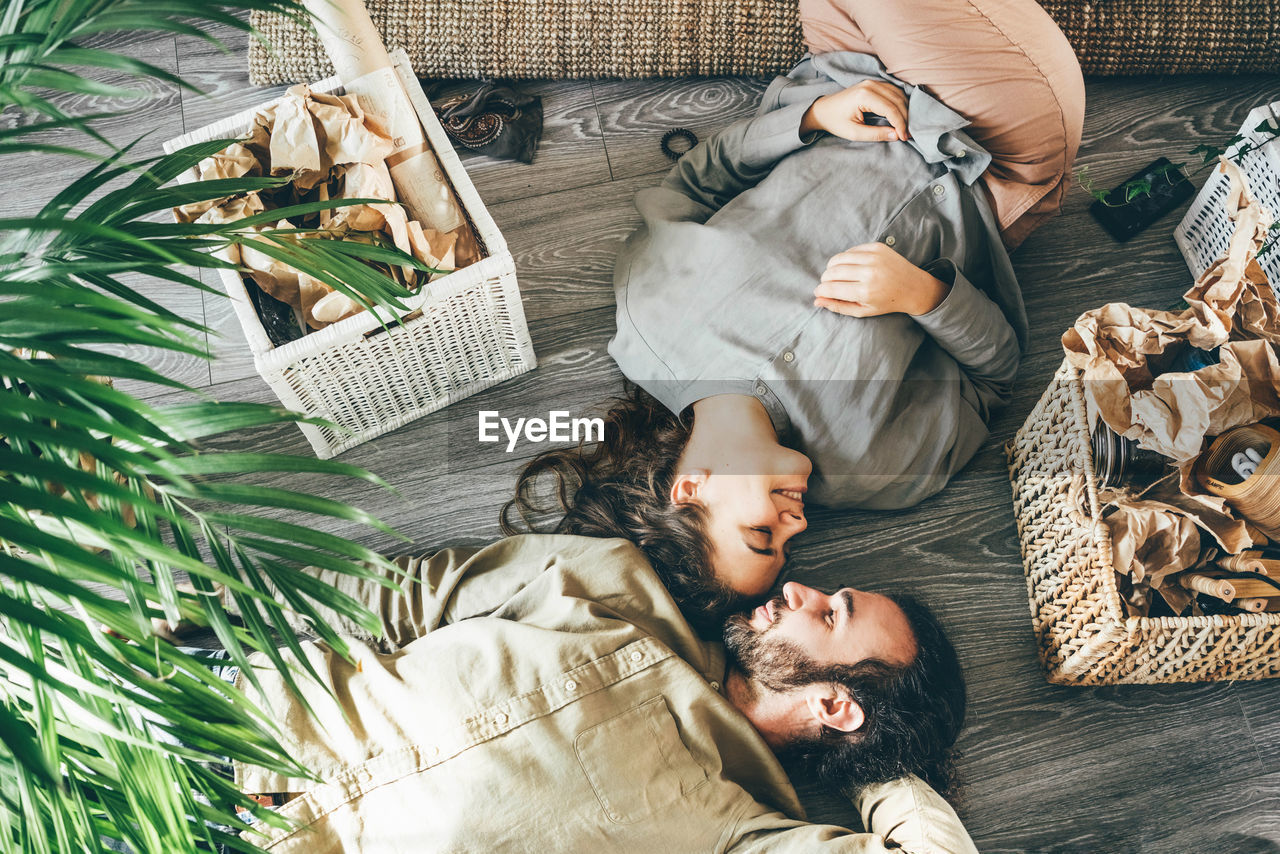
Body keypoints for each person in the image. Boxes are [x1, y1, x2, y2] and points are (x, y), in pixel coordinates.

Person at [509, 0, 1084, 604]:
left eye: (763, 536)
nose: (798, 527)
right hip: (992, 149)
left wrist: (813, 117)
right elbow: (994, 379)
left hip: (845, 63)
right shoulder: (878, 470)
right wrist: (925, 294)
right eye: (788, 549)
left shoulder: (649, 321)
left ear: (691, 490)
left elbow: (697, 183)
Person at [222, 534, 974, 852]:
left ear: (837, 705)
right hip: (225, 714)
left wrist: (878, 761)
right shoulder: (618, 581)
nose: (801, 590)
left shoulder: (744, 832)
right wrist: (208, 602)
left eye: (832, 615)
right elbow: (405, 594)